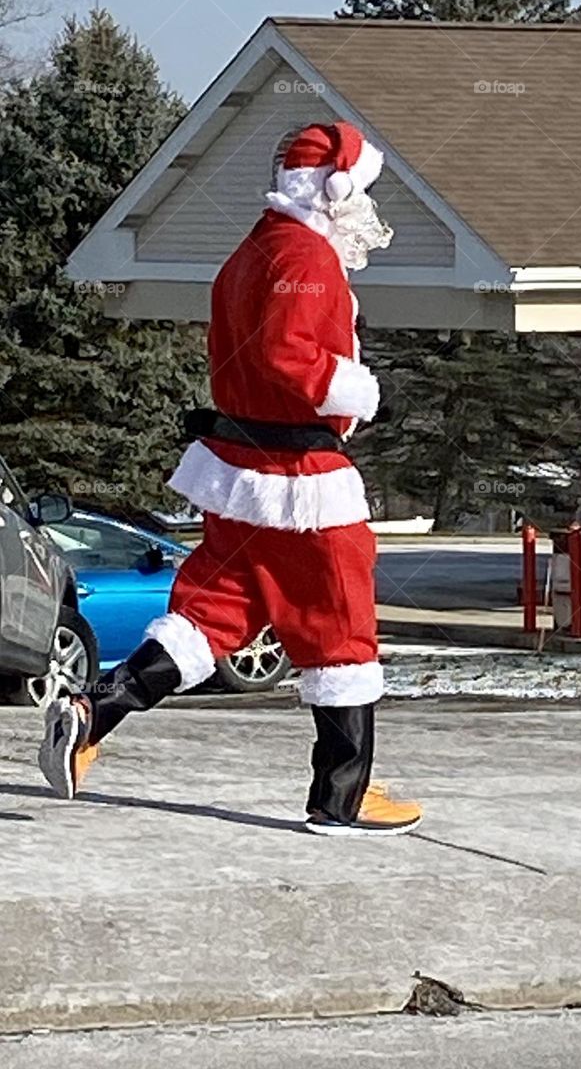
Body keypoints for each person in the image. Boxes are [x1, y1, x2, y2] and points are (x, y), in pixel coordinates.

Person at [39, 120, 422, 837]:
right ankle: (342, 798)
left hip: (239, 472)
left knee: (211, 612)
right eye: (362, 192)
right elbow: (287, 355)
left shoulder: (251, 251)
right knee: (341, 627)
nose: (367, 211)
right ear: (334, 190)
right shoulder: (305, 254)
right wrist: (363, 392)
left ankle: (95, 715)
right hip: (303, 477)